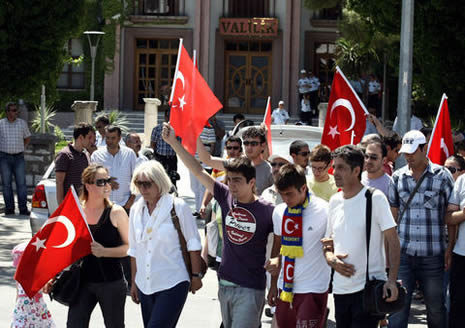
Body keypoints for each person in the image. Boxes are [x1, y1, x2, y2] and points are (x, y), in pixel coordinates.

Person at [162, 122, 277, 328]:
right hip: (224, 285)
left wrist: (276, 283)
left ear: (252, 183)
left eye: (237, 181)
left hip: (251, 288)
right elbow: (197, 169)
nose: (231, 185)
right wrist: (173, 142)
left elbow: (281, 244)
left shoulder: (268, 210)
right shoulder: (225, 196)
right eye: (229, 180)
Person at [323, 145, 400, 328]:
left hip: (368, 290)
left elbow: (393, 241)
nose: (335, 172)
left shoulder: (374, 198)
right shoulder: (335, 201)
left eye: (341, 167)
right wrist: (331, 259)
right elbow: (327, 243)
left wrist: (391, 280)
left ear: (357, 170)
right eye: (335, 167)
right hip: (341, 290)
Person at [387, 130, 455, 328]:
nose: (408, 157)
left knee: (435, 309)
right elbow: (392, 218)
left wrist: (449, 248)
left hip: (434, 256)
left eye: (413, 152)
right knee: (397, 310)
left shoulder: (443, 177)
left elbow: (450, 217)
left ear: (424, 149)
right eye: (405, 153)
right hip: (403, 256)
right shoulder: (397, 178)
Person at [128, 160, 203, 328]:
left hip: (173, 281)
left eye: (147, 184)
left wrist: (196, 275)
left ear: (159, 182)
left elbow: (193, 243)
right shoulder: (135, 209)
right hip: (145, 284)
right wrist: (133, 282)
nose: (142, 189)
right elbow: (134, 250)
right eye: (138, 183)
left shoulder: (178, 206)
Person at [266, 164, 330, 328]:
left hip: (313, 288)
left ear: (303, 188)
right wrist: (273, 284)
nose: (286, 199)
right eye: (282, 194)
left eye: (289, 194)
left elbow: (332, 244)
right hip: (285, 289)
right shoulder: (279, 211)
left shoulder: (324, 209)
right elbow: (277, 247)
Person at [67, 163, 129, 327]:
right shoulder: (77, 211)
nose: (107, 185)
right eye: (101, 182)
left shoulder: (116, 212)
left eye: (108, 181)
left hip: (111, 282)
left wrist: (104, 252)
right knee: (74, 324)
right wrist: (54, 275)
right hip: (82, 282)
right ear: (88, 185)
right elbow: (65, 247)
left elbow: (129, 247)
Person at [197, 126, 273, 196]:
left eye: (254, 143)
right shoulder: (236, 164)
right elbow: (207, 159)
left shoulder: (270, 170)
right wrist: (196, 134)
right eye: (246, 143)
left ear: (262, 146)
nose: (249, 147)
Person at [91, 125, 137, 211]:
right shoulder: (96, 155)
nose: (110, 141)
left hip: (125, 204)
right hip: (103, 205)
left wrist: (131, 200)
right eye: (108, 138)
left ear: (119, 138)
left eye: (113, 138)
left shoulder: (129, 154)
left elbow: (136, 178)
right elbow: (92, 179)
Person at [12, 242, 56, 328]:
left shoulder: (35, 276)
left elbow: (44, 288)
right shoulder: (19, 277)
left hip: (34, 309)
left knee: (37, 324)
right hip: (25, 310)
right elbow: (17, 293)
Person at [0, 102, 31, 216]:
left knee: (21, 183)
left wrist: (23, 147)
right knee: (6, 184)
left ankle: (23, 209)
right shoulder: (1, 124)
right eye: (12, 110)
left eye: (15, 110)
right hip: (4, 157)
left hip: (19, 157)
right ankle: (9, 209)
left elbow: (27, 137)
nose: (14, 113)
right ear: (7, 112)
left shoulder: (22, 123)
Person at [55, 123, 94, 204]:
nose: (91, 141)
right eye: (89, 137)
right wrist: (61, 206)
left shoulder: (85, 155)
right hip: (69, 203)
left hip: (83, 203)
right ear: (80, 137)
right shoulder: (64, 155)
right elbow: (59, 182)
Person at [446, 173, 465, 327]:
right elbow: (449, 217)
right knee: (458, 306)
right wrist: (463, 214)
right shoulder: (462, 181)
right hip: (461, 254)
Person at [151, 110, 179, 186]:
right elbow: (153, 144)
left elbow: (179, 144)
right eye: (168, 116)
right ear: (165, 117)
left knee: (173, 180)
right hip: (160, 158)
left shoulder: (177, 130)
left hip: (172, 158)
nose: (170, 118)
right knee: (160, 180)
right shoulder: (157, 129)